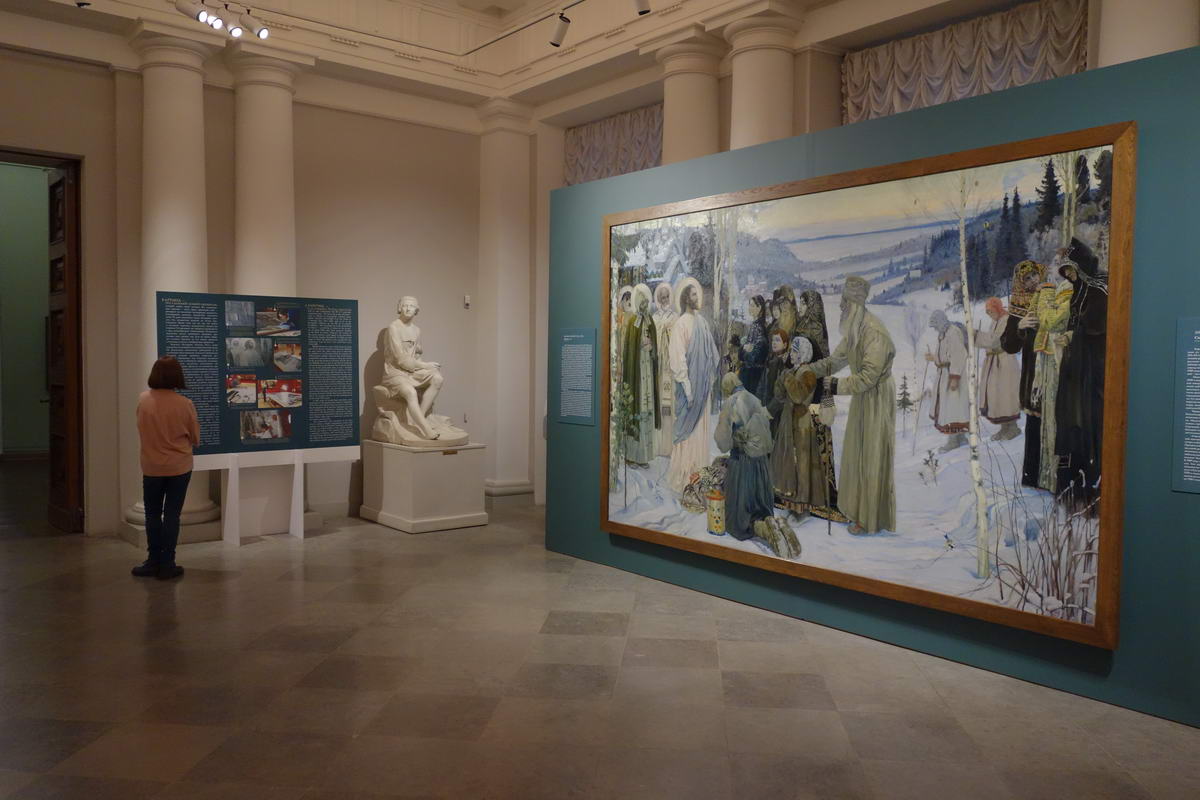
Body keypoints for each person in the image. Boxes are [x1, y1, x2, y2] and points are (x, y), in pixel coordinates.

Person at [804, 275, 896, 534]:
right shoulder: (856, 329)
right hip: (863, 398)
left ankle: (869, 520)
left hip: (877, 399)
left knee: (871, 456)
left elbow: (868, 378)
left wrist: (835, 386)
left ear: (854, 303)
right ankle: (857, 512)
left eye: (844, 302)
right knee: (857, 454)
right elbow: (835, 361)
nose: (841, 306)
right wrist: (809, 370)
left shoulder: (874, 332)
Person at [134, 356, 199, 580]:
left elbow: (141, 428)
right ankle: (168, 563)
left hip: (152, 465)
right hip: (179, 466)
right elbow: (195, 437)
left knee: (152, 513)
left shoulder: (144, 400)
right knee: (172, 515)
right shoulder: (184, 404)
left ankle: (153, 560)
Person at [1054, 241, 1108, 501]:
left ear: (1082, 267)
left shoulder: (1098, 290)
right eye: (1066, 272)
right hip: (1076, 363)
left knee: (1088, 417)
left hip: (1092, 366)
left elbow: (1096, 326)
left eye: (1072, 270)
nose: (1069, 276)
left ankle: (1089, 480)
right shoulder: (1079, 290)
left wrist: (1073, 335)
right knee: (1071, 415)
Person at [770, 336, 844, 522]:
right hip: (788, 420)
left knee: (800, 464)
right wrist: (781, 381)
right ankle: (790, 504)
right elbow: (780, 396)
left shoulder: (808, 373)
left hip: (801, 423)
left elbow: (798, 396)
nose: (791, 355)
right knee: (788, 461)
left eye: (795, 352)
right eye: (791, 351)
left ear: (802, 353)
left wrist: (786, 379)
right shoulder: (792, 371)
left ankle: (801, 508)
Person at [666, 278, 720, 493]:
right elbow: (677, 358)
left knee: (700, 433)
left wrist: (708, 379)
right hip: (688, 390)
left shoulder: (702, 322)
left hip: (703, 390)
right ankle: (684, 479)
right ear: (686, 299)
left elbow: (712, 354)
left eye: (698, 293)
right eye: (694, 294)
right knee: (687, 434)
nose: (698, 297)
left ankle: (701, 478)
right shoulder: (681, 324)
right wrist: (688, 388)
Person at [1000, 260, 1048, 487]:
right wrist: (1019, 327)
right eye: (1027, 278)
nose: (1033, 281)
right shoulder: (1018, 308)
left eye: (1035, 276)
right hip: (1032, 375)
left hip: (1055, 370)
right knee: (1034, 425)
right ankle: (1032, 479)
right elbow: (1008, 346)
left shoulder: (1051, 297)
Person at [714, 372, 775, 541]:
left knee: (739, 513)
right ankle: (765, 523)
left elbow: (722, 440)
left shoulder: (730, 402)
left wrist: (729, 443)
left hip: (742, 461)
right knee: (760, 504)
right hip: (760, 460)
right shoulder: (754, 398)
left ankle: (753, 527)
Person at [1027, 271, 1073, 492]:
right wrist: (1041, 294)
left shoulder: (1068, 290)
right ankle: (1048, 478)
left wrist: (1045, 292)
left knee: (1055, 418)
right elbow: (1034, 315)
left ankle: (1057, 480)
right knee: (1048, 418)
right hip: (1049, 358)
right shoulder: (1057, 290)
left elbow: (1050, 321)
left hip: (1059, 358)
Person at [377, 296, 445, 441]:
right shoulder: (393, 328)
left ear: (416, 310)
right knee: (410, 392)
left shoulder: (416, 330)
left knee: (438, 378)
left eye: (412, 306)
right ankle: (426, 430)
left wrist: (427, 368)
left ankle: (419, 418)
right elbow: (400, 359)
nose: (408, 309)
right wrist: (425, 365)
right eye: (405, 305)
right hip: (395, 373)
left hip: (412, 371)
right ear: (399, 308)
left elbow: (417, 355)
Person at [621, 284, 660, 467]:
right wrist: (639, 346)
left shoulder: (650, 320)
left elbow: (655, 347)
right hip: (637, 374)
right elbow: (629, 350)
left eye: (646, 301)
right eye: (641, 301)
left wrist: (651, 347)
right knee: (637, 410)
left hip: (648, 373)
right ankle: (632, 456)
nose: (644, 304)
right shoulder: (632, 322)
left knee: (647, 412)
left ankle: (643, 457)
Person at [975, 297, 1021, 440]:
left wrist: (975, 335)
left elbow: (994, 340)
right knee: (997, 396)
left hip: (1005, 362)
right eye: (987, 312)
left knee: (1006, 395)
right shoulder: (995, 321)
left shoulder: (1006, 320)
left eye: (991, 311)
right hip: (995, 363)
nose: (989, 314)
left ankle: (1013, 428)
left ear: (997, 308)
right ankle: (1004, 428)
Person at [925, 309, 969, 452]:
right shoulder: (943, 334)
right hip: (945, 374)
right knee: (952, 406)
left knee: (953, 407)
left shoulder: (952, 332)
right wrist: (934, 358)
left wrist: (954, 377)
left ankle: (954, 440)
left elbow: (958, 355)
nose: (935, 329)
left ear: (940, 321)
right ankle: (960, 437)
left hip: (952, 375)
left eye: (935, 325)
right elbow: (944, 355)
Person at [652, 282, 678, 457]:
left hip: (669, 367)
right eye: (662, 297)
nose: (664, 300)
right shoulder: (654, 318)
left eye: (667, 296)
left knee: (669, 406)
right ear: (658, 299)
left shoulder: (674, 317)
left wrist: (669, 334)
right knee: (657, 403)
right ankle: (658, 446)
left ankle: (669, 446)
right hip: (658, 367)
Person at [740, 296, 770, 402]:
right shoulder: (755, 325)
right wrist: (745, 349)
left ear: (759, 308)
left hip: (753, 373)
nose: (750, 308)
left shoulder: (758, 327)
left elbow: (756, 354)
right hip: (751, 371)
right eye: (749, 305)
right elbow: (746, 349)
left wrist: (745, 351)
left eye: (752, 306)